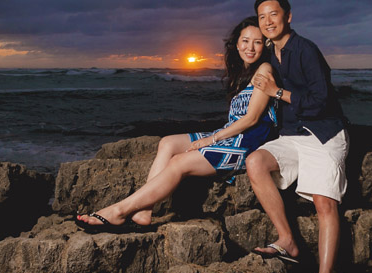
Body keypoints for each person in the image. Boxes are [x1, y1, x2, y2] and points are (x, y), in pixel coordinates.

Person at [76, 16, 277, 232]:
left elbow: (252, 119)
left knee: (179, 162)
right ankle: (144, 211)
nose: (250, 47)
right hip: (232, 135)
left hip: (248, 143)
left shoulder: (264, 69)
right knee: (168, 142)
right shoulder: (241, 73)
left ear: (265, 45)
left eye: (257, 42)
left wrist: (212, 139)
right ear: (237, 43)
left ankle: (118, 211)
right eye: (245, 41)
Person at [246, 0, 349, 273]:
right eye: (262, 17)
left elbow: (321, 101)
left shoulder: (306, 50)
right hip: (292, 135)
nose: (268, 22)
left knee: (324, 202)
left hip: (323, 133)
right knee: (255, 162)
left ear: (288, 16)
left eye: (273, 14)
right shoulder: (270, 54)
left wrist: (278, 92)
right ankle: (287, 239)